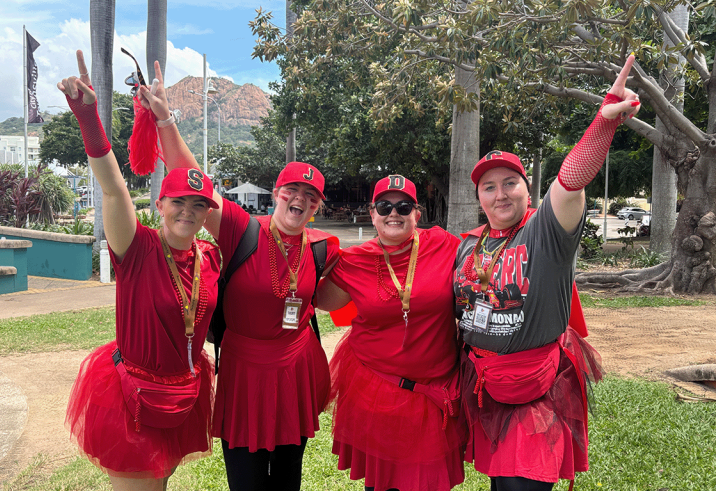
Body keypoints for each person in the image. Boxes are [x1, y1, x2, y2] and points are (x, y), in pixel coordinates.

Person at [137, 75, 341, 490]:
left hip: (295, 369)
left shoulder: (322, 248)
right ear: (277, 194)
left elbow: (355, 289)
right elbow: (192, 178)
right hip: (244, 371)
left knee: (287, 479)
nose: (299, 200)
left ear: (316, 206)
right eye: (291, 191)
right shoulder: (241, 229)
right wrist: (164, 121)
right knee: (246, 480)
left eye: (310, 196)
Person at [453, 56, 641, 491]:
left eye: (510, 183)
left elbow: (571, 181)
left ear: (527, 188)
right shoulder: (468, 242)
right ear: (478, 195)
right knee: (500, 485)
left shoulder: (545, 231)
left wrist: (602, 124)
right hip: (484, 388)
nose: (500, 194)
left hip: (537, 394)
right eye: (489, 186)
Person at [61, 51, 220, 491]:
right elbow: (113, 191)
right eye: (178, 203)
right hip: (132, 395)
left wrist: (165, 120)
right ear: (160, 206)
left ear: (208, 211)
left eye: (198, 204)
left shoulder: (211, 256)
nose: (188, 211)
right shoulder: (136, 246)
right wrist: (89, 118)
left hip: (182, 393)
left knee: (162, 481)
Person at [317, 175, 467, 491]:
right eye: (385, 206)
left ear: (417, 213)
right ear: (372, 213)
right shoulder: (353, 260)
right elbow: (317, 299)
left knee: (428, 483)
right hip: (375, 388)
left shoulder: (445, 245)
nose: (393, 214)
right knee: (380, 484)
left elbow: (485, 266)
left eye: (403, 206)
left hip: (432, 391)